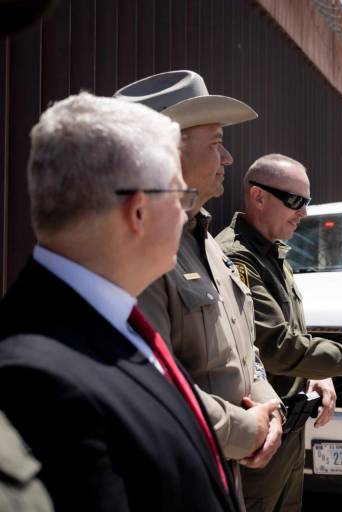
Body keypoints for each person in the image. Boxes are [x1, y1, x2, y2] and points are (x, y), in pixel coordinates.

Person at [0, 92, 241, 511]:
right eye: (180, 196)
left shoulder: (111, 322)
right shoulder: (39, 376)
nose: (186, 212)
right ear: (139, 212)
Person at [114, 70, 283, 499]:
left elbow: (245, 348)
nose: (228, 158)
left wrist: (269, 407)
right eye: (215, 144)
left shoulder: (203, 240)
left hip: (221, 476)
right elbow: (151, 385)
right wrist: (247, 430)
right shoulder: (141, 251)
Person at [215, 153, 342, 512]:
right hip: (261, 434)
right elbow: (279, 346)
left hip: (290, 429)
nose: (303, 212)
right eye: (295, 201)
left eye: (307, 201)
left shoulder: (272, 252)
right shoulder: (237, 258)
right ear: (258, 197)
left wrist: (318, 374)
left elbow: (296, 332)